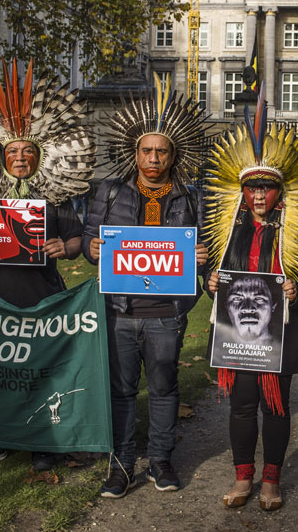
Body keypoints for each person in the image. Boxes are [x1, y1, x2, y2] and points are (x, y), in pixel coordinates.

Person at [0, 61, 95, 472]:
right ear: (1, 157)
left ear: (39, 155)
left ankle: (43, 441)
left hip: (42, 296)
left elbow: (77, 241)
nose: (21, 157)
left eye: (28, 151)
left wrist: (67, 245)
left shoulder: (55, 198)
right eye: (13, 151)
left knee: (40, 369)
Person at [83, 76, 209, 498]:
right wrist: (93, 247)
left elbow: (202, 246)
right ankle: (120, 466)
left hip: (165, 313)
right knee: (120, 391)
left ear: (174, 156)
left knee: (163, 387)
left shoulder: (190, 198)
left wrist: (200, 258)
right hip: (120, 310)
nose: (153, 158)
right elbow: (87, 239)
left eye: (162, 151)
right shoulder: (111, 190)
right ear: (135, 153)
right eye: (147, 150)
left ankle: (159, 460)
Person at [203, 98, 298, 511]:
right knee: (241, 405)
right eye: (252, 187)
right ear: (242, 191)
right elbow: (214, 277)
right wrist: (211, 282)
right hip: (238, 335)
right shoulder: (229, 230)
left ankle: (271, 478)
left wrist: (297, 292)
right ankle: (242, 477)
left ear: (279, 190)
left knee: (275, 404)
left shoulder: (297, 228)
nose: (258, 194)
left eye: (266, 187)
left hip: (281, 332)